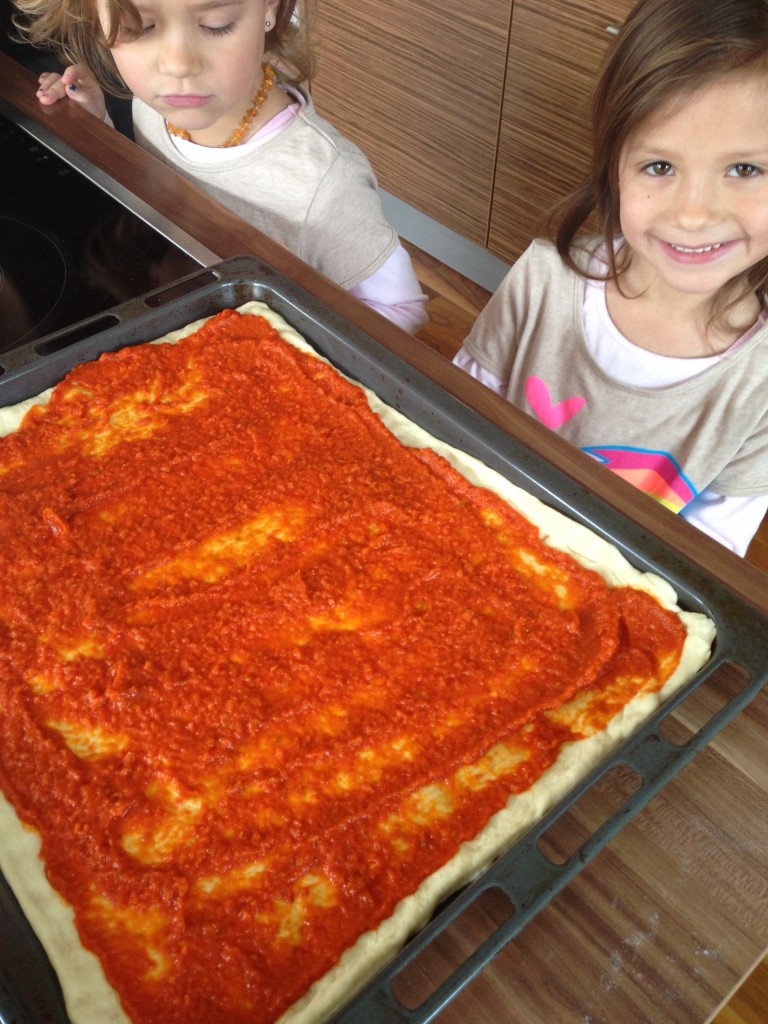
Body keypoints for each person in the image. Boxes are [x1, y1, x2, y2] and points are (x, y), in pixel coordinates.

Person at [454, 0, 768, 556]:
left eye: (744, 169)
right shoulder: (539, 284)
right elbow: (455, 424)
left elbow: (706, 560)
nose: (693, 214)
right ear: (613, 166)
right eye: (660, 167)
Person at [12, 0, 428, 334]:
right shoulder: (153, 107)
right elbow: (157, 187)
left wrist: (281, 341)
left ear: (272, 8)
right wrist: (97, 125)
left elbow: (400, 310)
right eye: (138, 29)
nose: (177, 64)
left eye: (215, 24)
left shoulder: (325, 182)